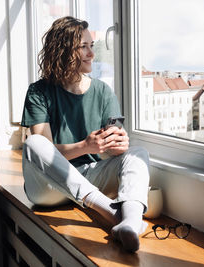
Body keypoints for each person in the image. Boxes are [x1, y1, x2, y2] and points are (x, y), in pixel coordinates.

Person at [20, 16, 150, 253]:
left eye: (92, 46)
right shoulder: (39, 91)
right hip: (48, 189)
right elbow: (46, 152)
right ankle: (112, 213)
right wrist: (85, 146)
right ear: (62, 50)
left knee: (138, 153)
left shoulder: (102, 91)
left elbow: (110, 149)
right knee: (35, 143)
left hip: (90, 178)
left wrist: (117, 146)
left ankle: (130, 222)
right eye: (83, 47)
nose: (92, 54)